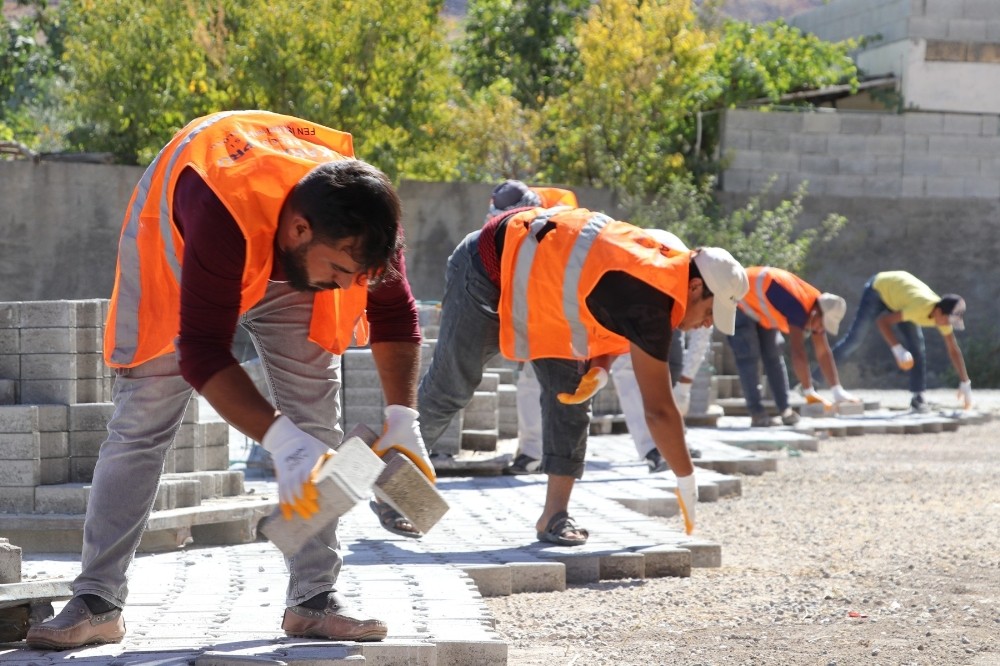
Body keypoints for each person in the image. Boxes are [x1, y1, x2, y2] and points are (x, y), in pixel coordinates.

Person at [25, 111, 432, 650]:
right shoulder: (219, 207)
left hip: (285, 258)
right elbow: (201, 353)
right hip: (185, 253)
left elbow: (396, 315)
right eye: (339, 273)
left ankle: (313, 599)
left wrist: (404, 419)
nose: (344, 286)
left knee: (317, 419)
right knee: (142, 423)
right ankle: (98, 599)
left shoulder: (364, 218)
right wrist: (283, 444)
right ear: (300, 230)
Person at [417, 198, 749, 546]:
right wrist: (686, 478)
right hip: (490, 269)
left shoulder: (667, 270)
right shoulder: (654, 296)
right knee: (453, 385)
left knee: (571, 396)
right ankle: (388, 484)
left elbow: (607, 306)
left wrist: (600, 370)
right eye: (711, 312)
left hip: (541, 297)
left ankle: (554, 517)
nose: (706, 324)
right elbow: (659, 411)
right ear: (696, 288)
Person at [505, 224, 714, 475]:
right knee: (535, 365)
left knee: (637, 375)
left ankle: (657, 448)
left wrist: (685, 382)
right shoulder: (633, 273)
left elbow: (698, 335)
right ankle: (530, 451)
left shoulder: (700, 290)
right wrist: (600, 365)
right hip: (559, 301)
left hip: (582, 301)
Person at [729, 266, 859, 428]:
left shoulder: (818, 307)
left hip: (760, 305)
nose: (820, 329)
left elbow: (823, 350)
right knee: (748, 356)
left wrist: (837, 390)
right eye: (822, 324)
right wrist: (808, 392)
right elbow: (798, 352)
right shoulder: (797, 306)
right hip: (738, 297)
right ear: (816, 313)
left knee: (773, 355)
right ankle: (757, 413)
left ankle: (785, 411)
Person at [825, 270, 971, 412]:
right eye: (948, 320)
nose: (948, 325)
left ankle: (918, 397)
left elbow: (953, 349)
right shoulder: (920, 307)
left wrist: (965, 382)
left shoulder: (942, 319)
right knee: (854, 339)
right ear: (938, 311)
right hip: (879, 287)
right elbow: (883, 322)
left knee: (917, 348)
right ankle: (815, 380)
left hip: (900, 299)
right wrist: (898, 349)